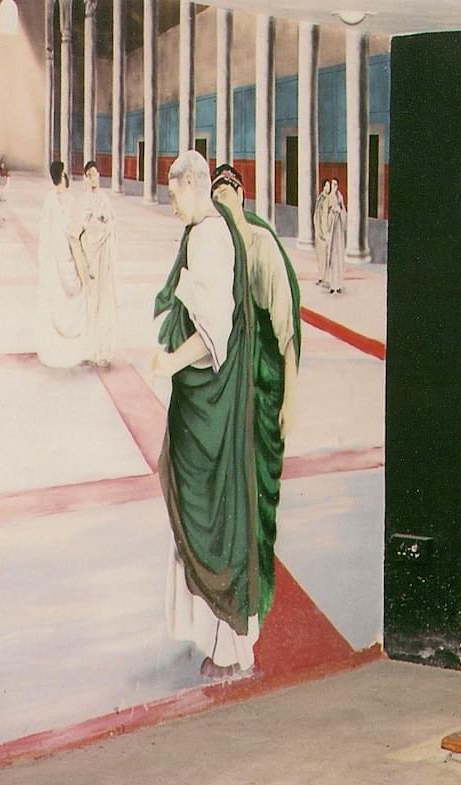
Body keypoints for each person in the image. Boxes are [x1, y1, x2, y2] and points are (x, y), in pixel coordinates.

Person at [151, 150, 261, 681]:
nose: (171, 205)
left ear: (193, 183)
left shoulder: (210, 238)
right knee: (196, 508)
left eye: (173, 194)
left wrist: (171, 360)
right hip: (200, 404)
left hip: (210, 407)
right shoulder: (205, 232)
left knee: (212, 514)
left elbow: (214, 331)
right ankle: (212, 635)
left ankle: (228, 646)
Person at [210, 163, 301, 647]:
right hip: (229, 384)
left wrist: (289, 397)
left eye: (228, 192)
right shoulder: (215, 251)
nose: (223, 201)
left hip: (262, 382)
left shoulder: (261, 247)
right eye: (216, 196)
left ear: (241, 197)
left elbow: (285, 331)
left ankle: (255, 601)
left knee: (256, 496)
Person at [35, 161, 88, 368]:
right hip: (62, 256)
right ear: (62, 176)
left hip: (59, 256)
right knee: (70, 292)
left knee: (60, 294)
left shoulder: (50, 199)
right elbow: (71, 229)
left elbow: (47, 231)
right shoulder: (64, 199)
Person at [78, 161, 117, 367]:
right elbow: (83, 226)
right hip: (90, 256)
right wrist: (96, 223)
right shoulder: (85, 200)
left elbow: (112, 221)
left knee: (104, 303)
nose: (94, 178)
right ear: (85, 177)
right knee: (89, 303)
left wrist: (104, 222)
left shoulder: (104, 198)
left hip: (104, 256)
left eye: (96, 174)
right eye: (90, 175)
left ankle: (103, 351)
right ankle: (88, 349)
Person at [326, 182, 347, 295]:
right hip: (332, 231)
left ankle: (338, 285)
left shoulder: (339, 197)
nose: (334, 187)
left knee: (338, 258)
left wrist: (340, 207)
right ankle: (332, 285)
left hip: (338, 232)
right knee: (332, 259)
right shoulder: (330, 198)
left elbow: (343, 211)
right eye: (332, 184)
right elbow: (327, 213)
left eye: (335, 184)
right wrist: (333, 213)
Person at [312, 179, 333, 287]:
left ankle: (326, 278)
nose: (327, 188)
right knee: (320, 256)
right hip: (318, 230)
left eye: (329, 186)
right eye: (326, 186)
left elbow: (328, 216)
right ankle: (321, 277)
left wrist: (327, 232)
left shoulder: (329, 199)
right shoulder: (320, 197)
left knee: (326, 256)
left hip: (325, 232)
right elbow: (317, 213)